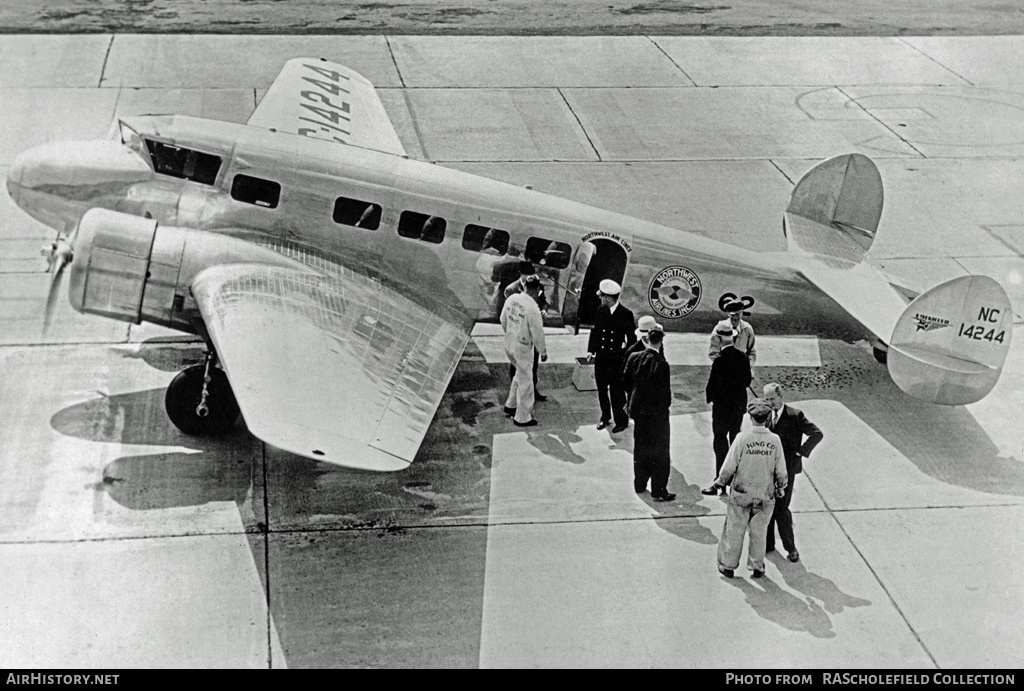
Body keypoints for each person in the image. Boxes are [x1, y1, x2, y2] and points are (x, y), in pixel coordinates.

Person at [706, 399, 787, 579]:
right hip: (765, 494)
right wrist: (781, 487)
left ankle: (728, 565)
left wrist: (720, 483)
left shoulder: (742, 438)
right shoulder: (775, 440)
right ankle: (757, 566)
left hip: (742, 493)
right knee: (759, 532)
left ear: (750, 417)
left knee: (734, 530)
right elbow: (781, 470)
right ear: (767, 418)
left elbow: (729, 466)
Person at [763, 382, 823, 563]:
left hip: (787, 470)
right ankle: (768, 544)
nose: (770, 403)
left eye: (772, 399)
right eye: (767, 399)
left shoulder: (795, 416)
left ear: (781, 397)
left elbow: (816, 434)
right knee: (768, 507)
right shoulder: (766, 415)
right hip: (769, 470)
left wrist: (800, 452)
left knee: (782, 509)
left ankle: (791, 548)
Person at [622, 328, 675, 502]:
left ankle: (640, 483)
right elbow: (665, 395)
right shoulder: (661, 363)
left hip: (639, 413)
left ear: (646, 339)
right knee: (660, 452)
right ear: (661, 341)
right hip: (657, 416)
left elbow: (625, 382)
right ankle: (658, 489)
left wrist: (632, 401)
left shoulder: (634, 357)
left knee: (641, 449)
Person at [702, 325, 752, 495]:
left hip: (722, 408)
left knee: (720, 441)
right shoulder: (743, 358)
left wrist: (712, 398)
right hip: (737, 406)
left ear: (720, 339)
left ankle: (720, 481)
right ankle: (735, 481)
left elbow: (712, 385)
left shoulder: (720, 360)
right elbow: (747, 382)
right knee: (735, 441)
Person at [586, 279, 636, 433]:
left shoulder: (625, 314)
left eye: (602, 296)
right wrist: (591, 350)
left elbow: (632, 339)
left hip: (616, 360)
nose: (600, 298)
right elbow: (595, 331)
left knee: (617, 392)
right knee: (602, 390)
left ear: (608, 297)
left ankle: (621, 421)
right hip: (601, 357)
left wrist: (626, 357)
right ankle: (605, 416)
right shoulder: (601, 310)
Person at [501, 275, 548, 427]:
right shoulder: (533, 308)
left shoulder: (512, 299)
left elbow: (503, 320)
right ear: (537, 289)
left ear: (524, 286)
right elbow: (538, 333)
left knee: (518, 373)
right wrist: (543, 351)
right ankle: (522, 417)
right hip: (522, 347)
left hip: (509, 343)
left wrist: (511, 333)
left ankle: (510, 405)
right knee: (526, 381)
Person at [504, 262, 549, 401]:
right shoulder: (511, 290)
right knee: (517, 367)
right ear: (521, 274)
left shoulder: (537, 286)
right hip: (518, 336)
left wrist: (544, 311)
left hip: (531, 335)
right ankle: (518, 396)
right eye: (527, 275)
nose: (530, 277)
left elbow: (544, 302)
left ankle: (532, 391)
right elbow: (506, 316)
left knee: (533, 365)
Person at [709, 299, 756, 366]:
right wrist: (724, 366)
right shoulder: (719, 328)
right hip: (723, 369)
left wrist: (747, 366)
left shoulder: (747, 329)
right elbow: (713, 353)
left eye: (738, 314)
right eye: (733, 315)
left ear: (742, 313)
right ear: (728, 313)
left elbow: (752, 352)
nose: (736, 317)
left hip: (741, 370)